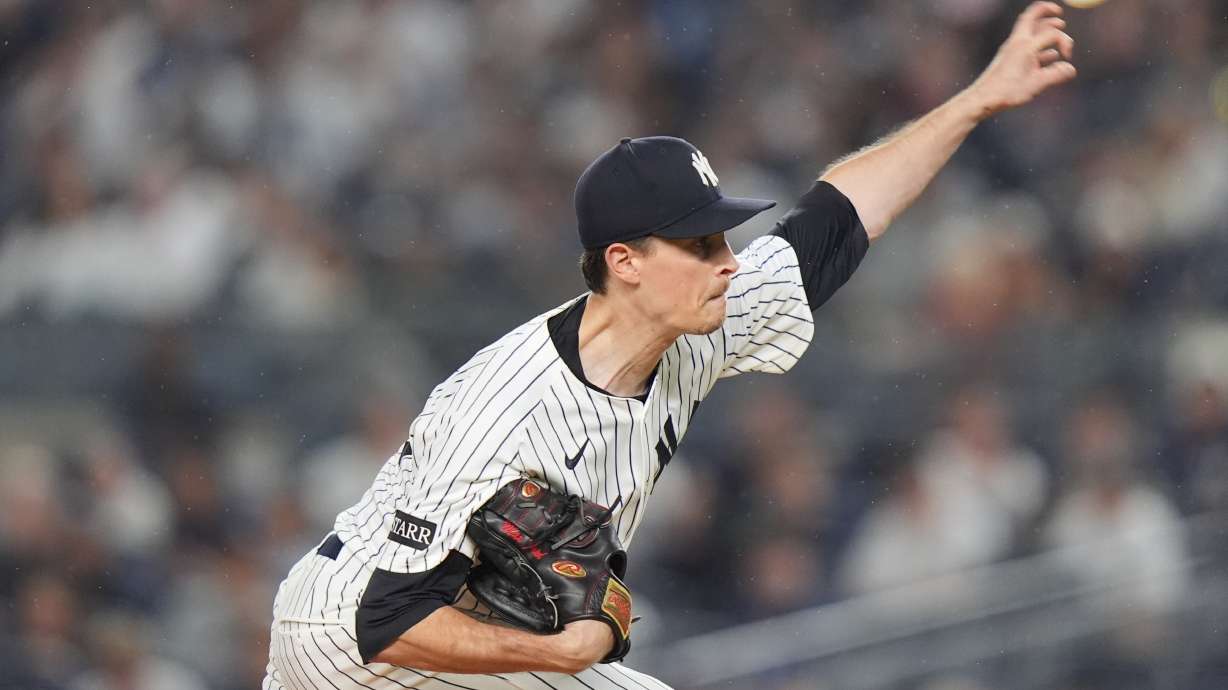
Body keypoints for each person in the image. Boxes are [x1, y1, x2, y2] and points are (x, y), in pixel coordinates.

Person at [262, 4, 1077, 688]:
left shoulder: (694, 326)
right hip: (344, 654)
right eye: (701, 245)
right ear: (625, 263)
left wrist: (976, 100)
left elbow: (833, 223)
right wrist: (558, 649)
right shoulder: (503, 413)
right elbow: (383, 618)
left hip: (452, 631)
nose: (728, 264)